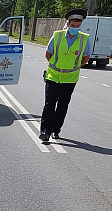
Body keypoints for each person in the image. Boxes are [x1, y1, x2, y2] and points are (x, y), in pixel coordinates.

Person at [39, 8, 92, 143]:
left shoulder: (84, 39)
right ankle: (45, 131)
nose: (75, 28)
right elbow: (48, 54)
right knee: (49, 104)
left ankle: (56, 130)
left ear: (80, 25)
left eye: (78, 26)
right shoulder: (57, 36)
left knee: (62, 105)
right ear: (67, 24)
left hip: (70, 78)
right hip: (53, 75)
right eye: (73, 25)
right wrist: (57, 65)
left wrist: (74, 67)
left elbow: (86, 58)